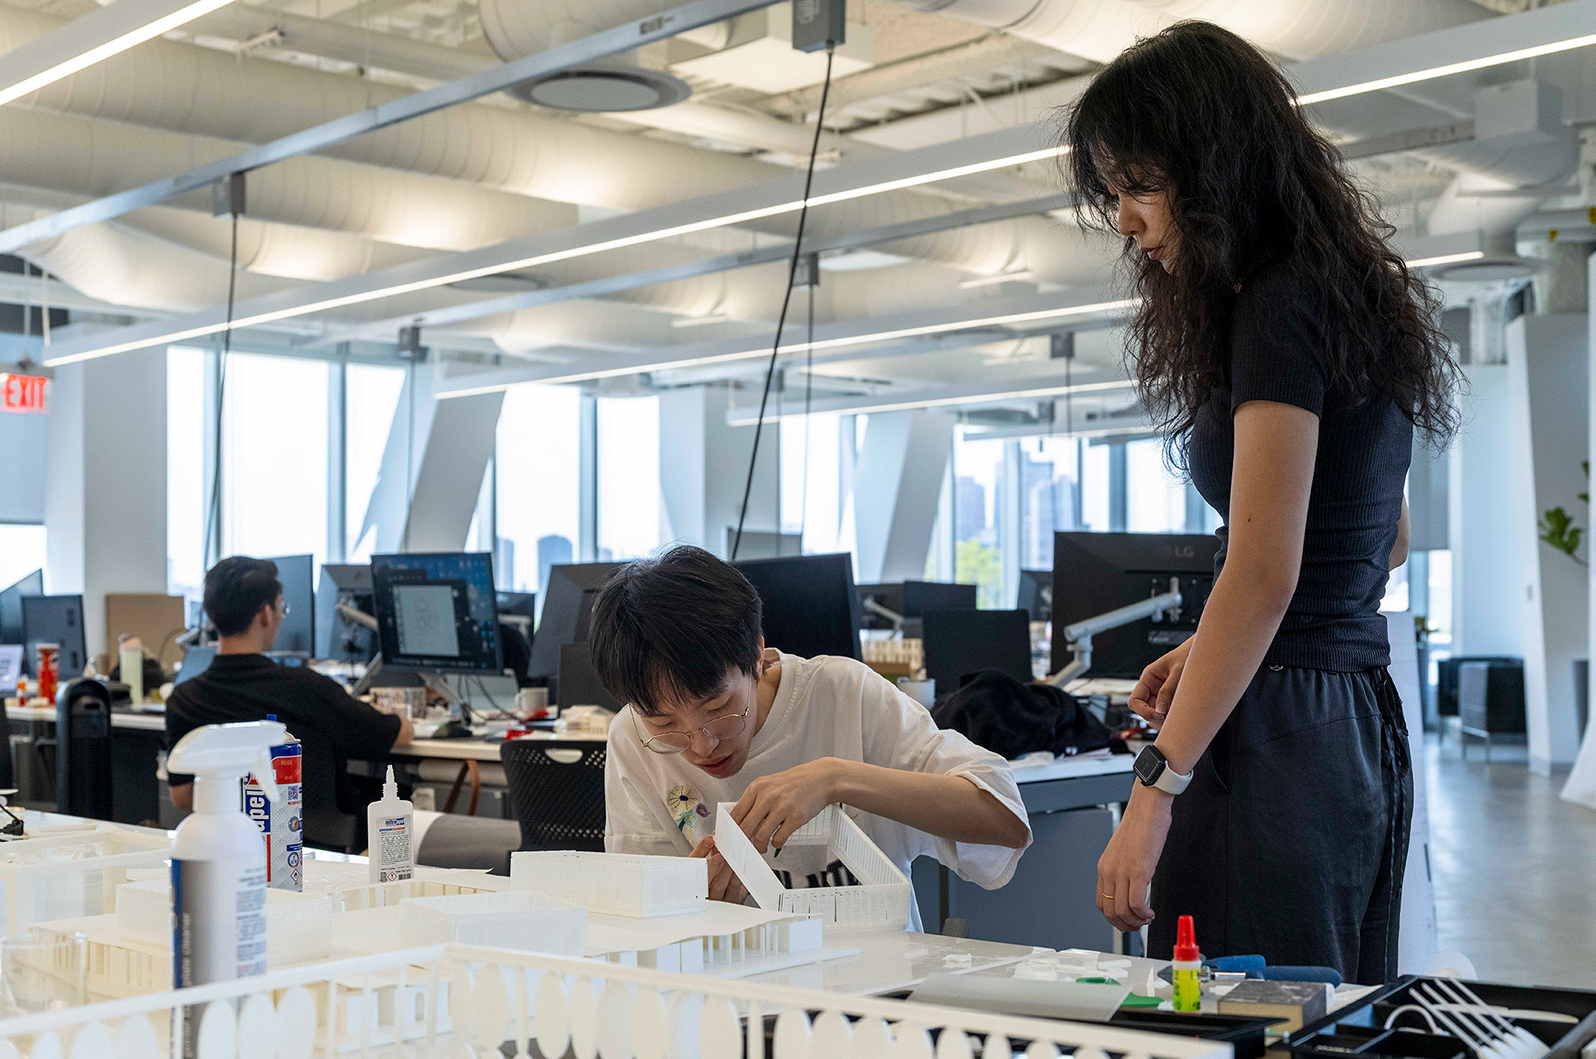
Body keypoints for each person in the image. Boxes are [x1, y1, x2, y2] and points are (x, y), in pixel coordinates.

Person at [1064, 22, 1457, 982]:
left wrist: (1153, 792)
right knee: (1319, 1012)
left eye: (1138, 188)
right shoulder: (1345, 290)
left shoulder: (1276, 307)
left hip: (1283, 741)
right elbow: (1382, 541)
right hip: (1351, 715)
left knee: (1242, 1021)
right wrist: (1212, 650)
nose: (1125, 220)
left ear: (1212, 168)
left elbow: (1270, 570)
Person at [591, 546, 1030, 928]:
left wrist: (835, 778)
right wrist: (686, 903)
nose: (702, 745)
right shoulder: (631, 738)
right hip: (732, 997)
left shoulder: (844, 696)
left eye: (718, 709)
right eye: (667, 726)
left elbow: (1004, 821)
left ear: (757, 657)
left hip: (877, 992)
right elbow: (634, 916)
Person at [164, 556, 412, 817]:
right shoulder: (308, 687)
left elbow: (181, 796)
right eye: (281, 607)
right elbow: (398, 734)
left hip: (231, 843)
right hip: (307, 846)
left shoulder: (185, 699)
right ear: (266, 613)